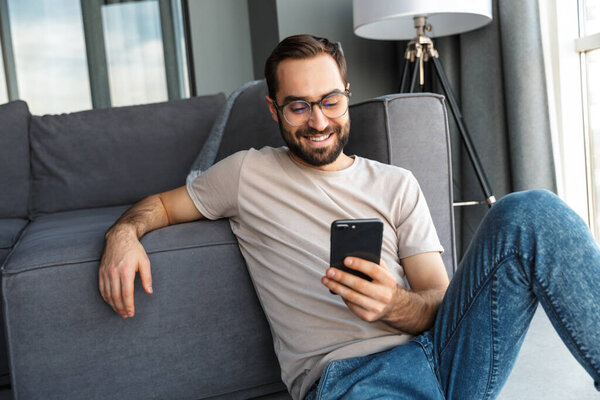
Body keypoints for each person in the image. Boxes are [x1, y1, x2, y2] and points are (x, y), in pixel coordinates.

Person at [99, 34, 600, 400]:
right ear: (274, 110)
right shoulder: (246, 174)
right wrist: (124, 233)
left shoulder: (396, 183)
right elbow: (161, 205)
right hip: (350, 381)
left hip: (441, 353)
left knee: (530, 209)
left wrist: (393, 304)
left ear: (346, 95)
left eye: (330, 101)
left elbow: (437, 301)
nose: (318, 121)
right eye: (298, 107)